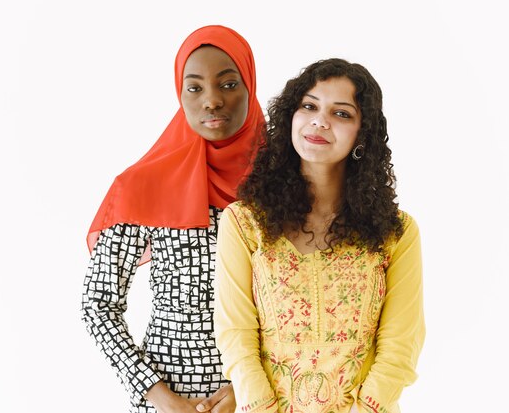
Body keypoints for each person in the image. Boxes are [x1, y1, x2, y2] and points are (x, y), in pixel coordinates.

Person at [213, 58, 425, 413]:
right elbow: (236, 337)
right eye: (309, 106)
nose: (319, 120)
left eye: (341, 113)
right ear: (290, 119)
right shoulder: (244, 223)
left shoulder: (396, 233)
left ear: (363, 134)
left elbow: (400, 347)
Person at [81, 25, 265, 413]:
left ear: (250, 85)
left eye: (229, 84)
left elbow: (295, 305)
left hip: (262, 397)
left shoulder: (281, 185)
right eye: (195, 87)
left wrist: (246, 387)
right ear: (179, 94)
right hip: (166, 400)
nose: (212, 101)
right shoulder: (143, 186)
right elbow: (98, 304)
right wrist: (158, 396)